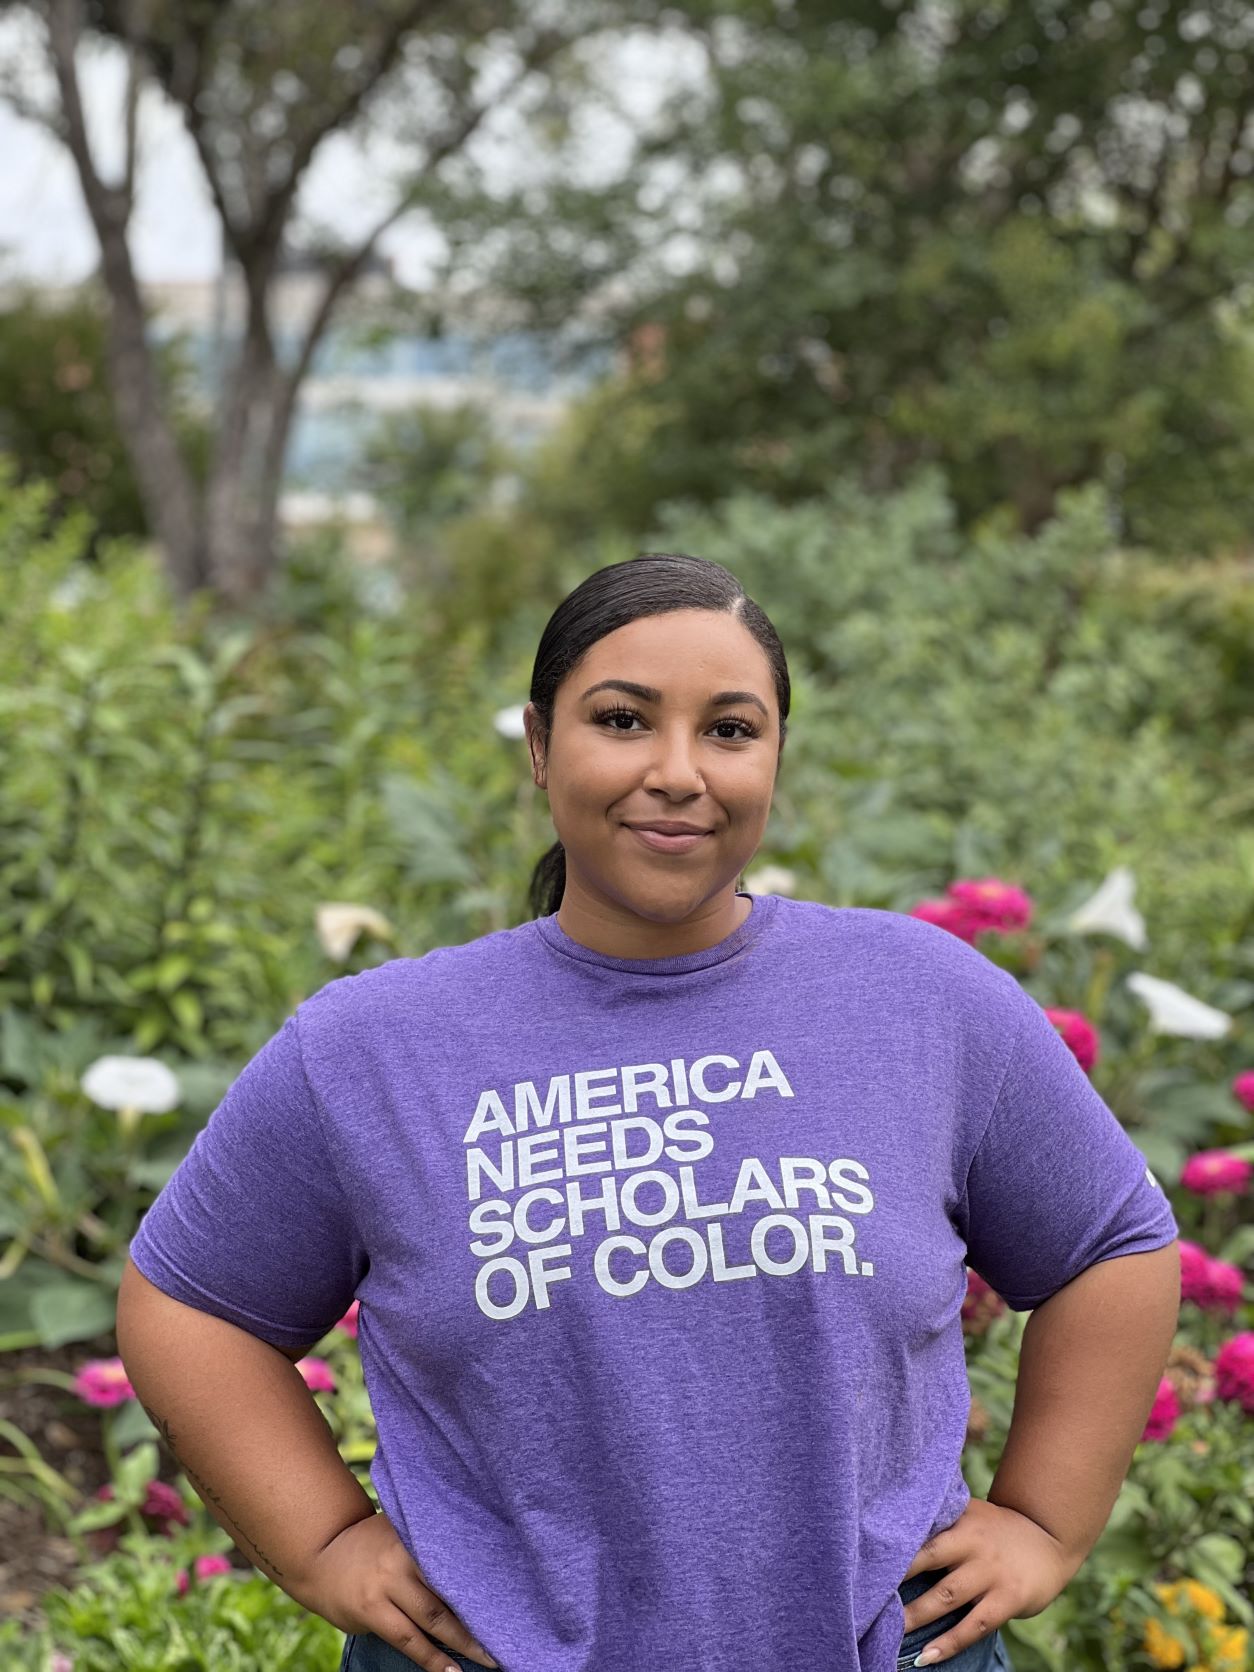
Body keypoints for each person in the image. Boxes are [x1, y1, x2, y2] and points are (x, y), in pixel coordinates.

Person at [116, 552, 1181, 1672]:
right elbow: (192, 1305)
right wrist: (326, 1541)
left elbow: (1112, 1245)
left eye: (730, 729)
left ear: (776, 756)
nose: (678, 772)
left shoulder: (923, 1000)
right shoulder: (373, 1046)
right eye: (623, 720)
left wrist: (1044, 1521)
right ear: (538, 744)